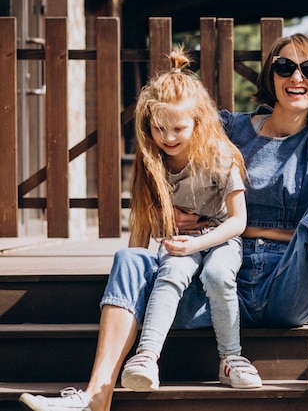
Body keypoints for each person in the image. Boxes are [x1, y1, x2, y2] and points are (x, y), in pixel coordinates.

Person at [18, 33, 308, 411]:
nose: (296, 77)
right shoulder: (229, 129)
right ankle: (96, 396)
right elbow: (167, 117)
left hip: (287, 287)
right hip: (212, 284)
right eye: (285, 66)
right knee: (130, 260)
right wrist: (170, 209)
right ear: (271, 75)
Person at [119, 47, 261, 392]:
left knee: (217, 275)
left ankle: (231, 358)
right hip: (179, 239)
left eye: (178, 128)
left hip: (220, 236)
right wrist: (136, 270)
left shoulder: (220, 155)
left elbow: (238, 221)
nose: (168, 138)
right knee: (171, 272)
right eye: (159, 128)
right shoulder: (152, 160)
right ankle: (146, 356)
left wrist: (198, 242)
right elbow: (142, 223)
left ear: (199, 123)